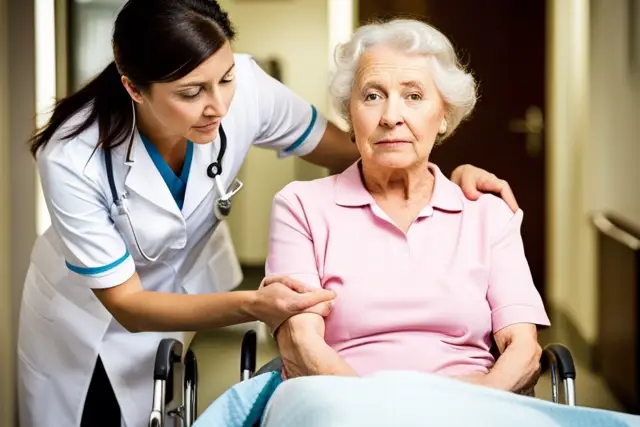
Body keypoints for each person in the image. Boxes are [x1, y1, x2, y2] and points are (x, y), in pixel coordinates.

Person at [17, 1, 519, 426]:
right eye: (192, 93)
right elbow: (128, 304)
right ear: (134, 89)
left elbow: (363, 145)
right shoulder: (72, 156)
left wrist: (444, 182)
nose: (218, 105)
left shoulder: (248, 89)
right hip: (86, 323)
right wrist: (255, 306)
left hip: (180, 295)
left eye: (225, 78)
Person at [264, 18, 550, 395]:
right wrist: (378, 411)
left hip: (471, 404)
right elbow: (301, 344)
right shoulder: (301, 206)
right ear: (350, 116)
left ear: (444, 114)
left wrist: (476, 405)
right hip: (343, 404)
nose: (391, 116)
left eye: (414, 96)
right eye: (372, 96)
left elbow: (524, 350)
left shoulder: (489, 216)